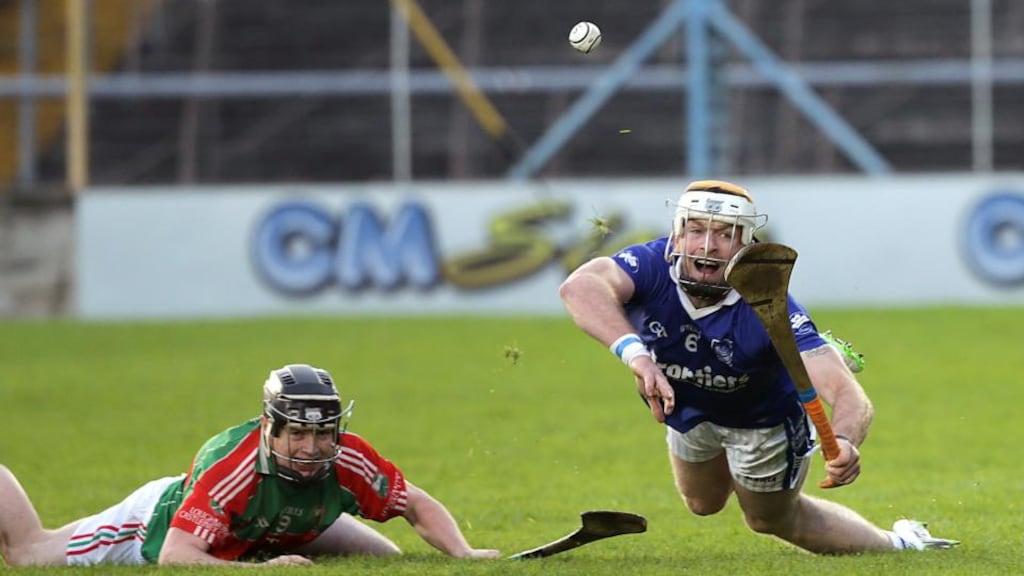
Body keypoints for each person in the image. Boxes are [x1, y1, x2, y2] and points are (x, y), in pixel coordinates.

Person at [558, 179, 958, 554]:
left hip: (761, 423)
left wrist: (847, 439)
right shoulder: (649, 265)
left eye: (725, 234)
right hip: (690, 410)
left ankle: (902, 542)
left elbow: (847, 394)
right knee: (702, 504)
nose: (707, 246)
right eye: (696, 230)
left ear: (746, 245)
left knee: (770, 520)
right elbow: (579, 288)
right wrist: (637, 356)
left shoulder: (770, 310)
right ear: (677, 235)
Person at [0, 363, 500, 566]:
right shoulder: (232, 469)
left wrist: (463, 553)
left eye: (322, 434)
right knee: (28, 553)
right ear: (271, 429)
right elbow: (177, 553)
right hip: (155, 524)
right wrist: (266, 570)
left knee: (383, 559)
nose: (311, 449)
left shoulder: (345, 455)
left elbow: (413, 502)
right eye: (298, 434)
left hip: (270, 525)